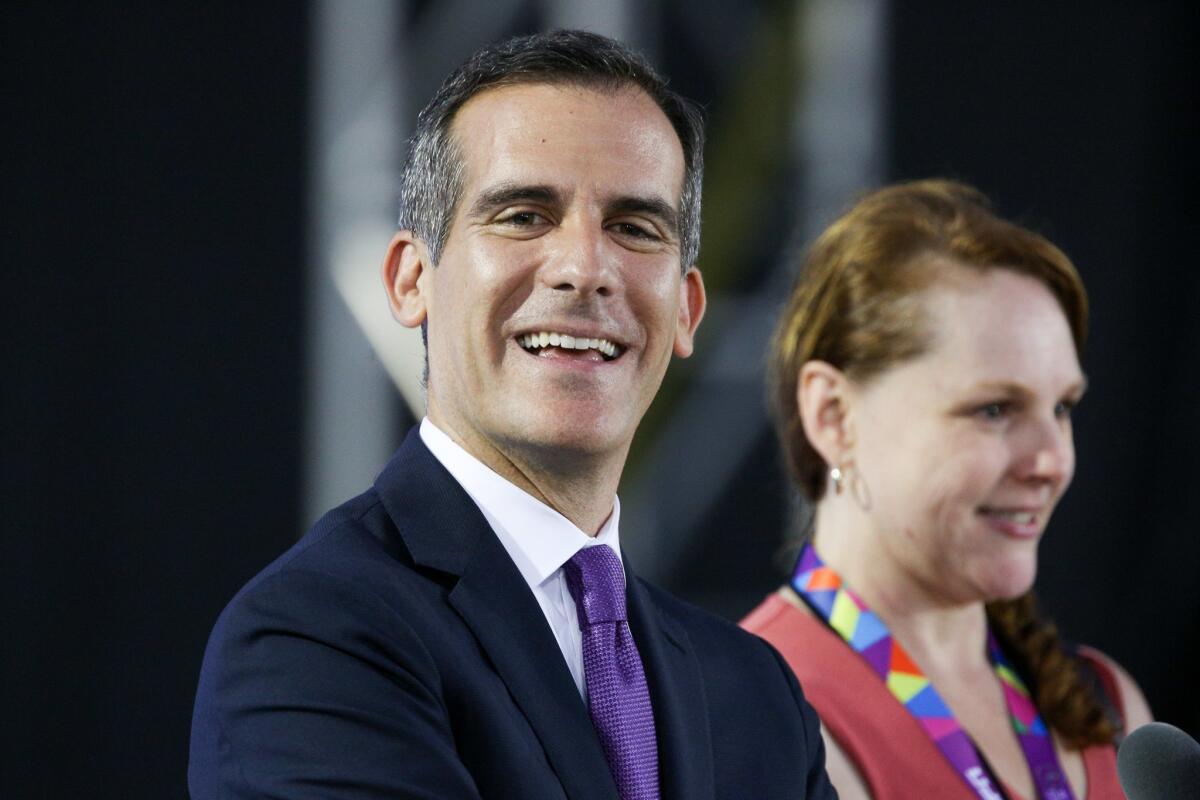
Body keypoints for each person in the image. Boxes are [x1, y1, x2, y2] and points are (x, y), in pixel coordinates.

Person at [189, 30, 834, 800]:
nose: (585, 269)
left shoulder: (758, 696)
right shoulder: (313, 638)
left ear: (687, 310)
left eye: (635, 227)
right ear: (410, 282)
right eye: (524, 215)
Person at [741, 179, 1152, 799]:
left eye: (1062, 408)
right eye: (994, 409)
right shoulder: (753, 717)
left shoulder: (1110, 705)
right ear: (833, 416)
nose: (1052, 460)